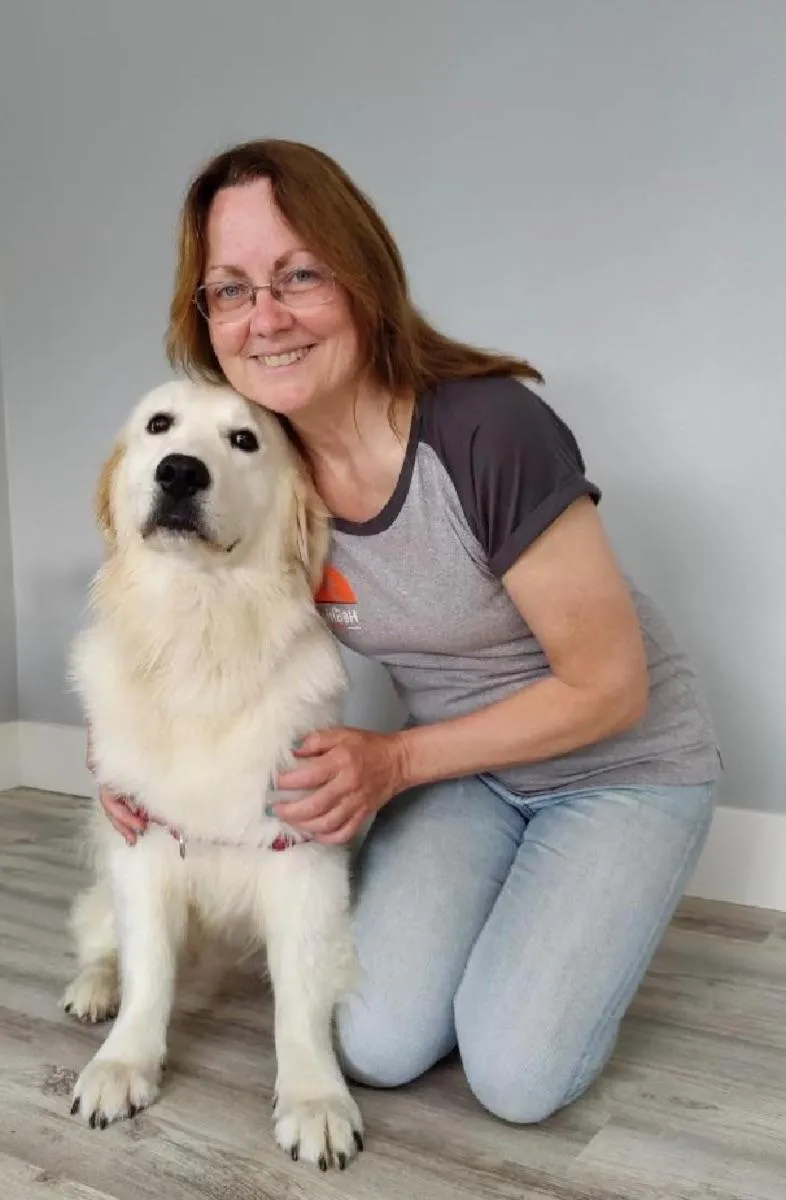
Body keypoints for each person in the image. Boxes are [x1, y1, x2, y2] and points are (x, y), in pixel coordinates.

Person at [96, 139, 721, 1125]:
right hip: (466, 773)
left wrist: (392, 764)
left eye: (300, 275)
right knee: (376, 1045)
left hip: (619, 766)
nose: (266, 317)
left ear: (362, 278)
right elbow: (181, 609)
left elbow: (612, 686)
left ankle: (572, 918)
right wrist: (124, 756)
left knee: (516, 1077)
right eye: (231, 289)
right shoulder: (260, 464)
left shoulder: (487, 431)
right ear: (205, 315)